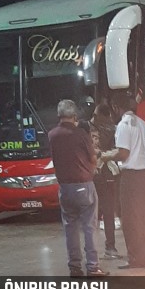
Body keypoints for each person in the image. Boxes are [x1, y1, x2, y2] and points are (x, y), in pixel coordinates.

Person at [48, 99, 109, 278]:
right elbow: (92, 158)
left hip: (64, 189)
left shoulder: (52, 135)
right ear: (74, 116)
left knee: (70, 228)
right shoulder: (81, 134)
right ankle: (92, 267)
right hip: (84, 186)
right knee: (90, 227)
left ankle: (74, 268)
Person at [102, 92, 145, 269]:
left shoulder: (123, 125)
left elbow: (123, 153)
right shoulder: (142, 124)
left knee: (131, 219)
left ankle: (135, 258)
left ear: (116, 108)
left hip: (132, 177)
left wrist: (105, 156)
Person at [90, 103, 122, 260]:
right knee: (106, 213)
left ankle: (95, 250)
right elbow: (118, 151)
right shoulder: (114, 129)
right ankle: (109, 248)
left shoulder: (85, 129)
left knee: (97, 214)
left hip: (97, 175)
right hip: (103, 175)